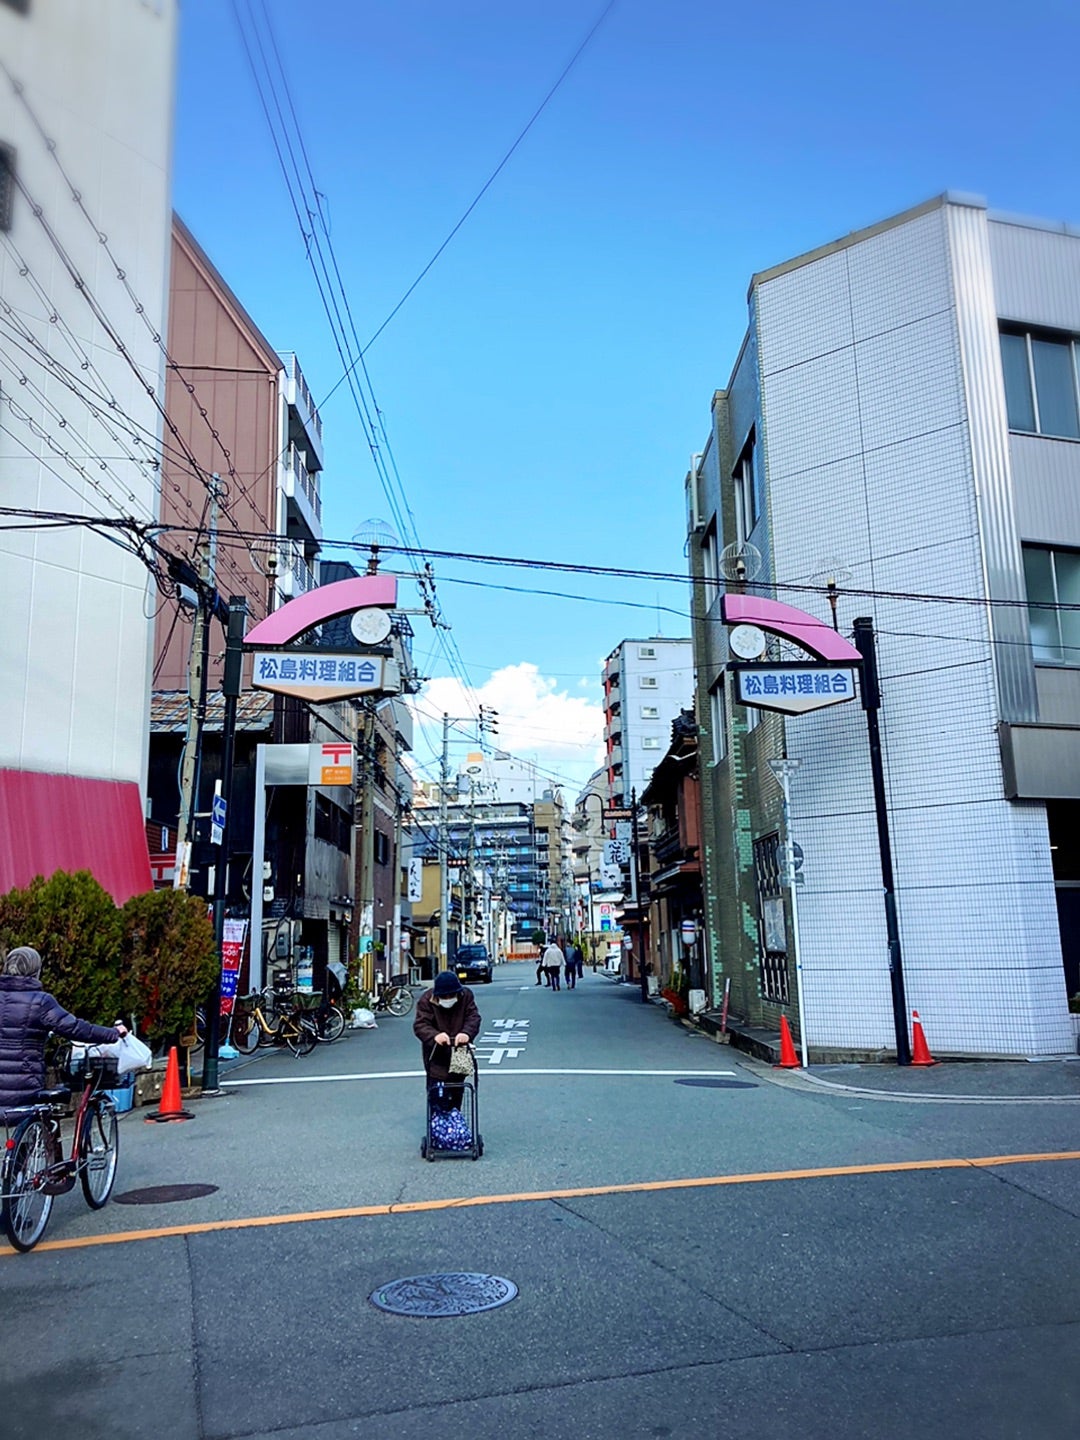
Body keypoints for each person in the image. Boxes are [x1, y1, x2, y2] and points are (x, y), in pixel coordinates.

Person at [0, 946, 127, 1112]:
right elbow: (76, 1028)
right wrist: (113, 1033)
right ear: (36, 971)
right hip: (24, 1087)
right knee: (38, 1115)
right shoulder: (40, 1001)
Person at [413, 970, 481, 1109]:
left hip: (460, 1048)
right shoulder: (426, 1000)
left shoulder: (465, 996)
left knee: (458, 1088)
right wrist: (434, 1035)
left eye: (452, 995)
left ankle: (455, 1122)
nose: (449, 998)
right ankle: (438, 1125)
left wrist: (466, 1033)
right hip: (436, 1051)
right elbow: (420, 1024)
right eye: (444, 996)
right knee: (437, 1092)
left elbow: (473, 1017)